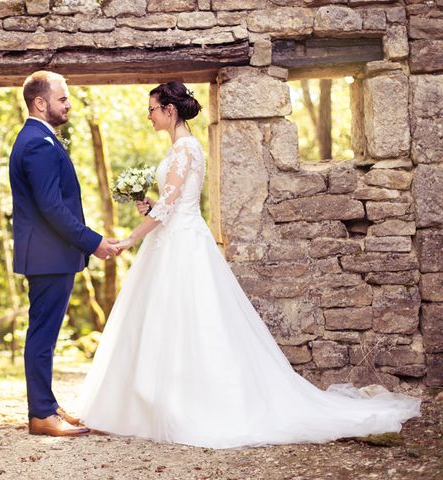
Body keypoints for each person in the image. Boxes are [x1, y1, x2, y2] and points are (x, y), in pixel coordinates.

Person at [76, 80, 421, 448]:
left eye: (152, 109)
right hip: (176, 240)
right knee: (169, 318)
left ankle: (187, 405)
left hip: (181, 244)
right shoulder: (182, 148)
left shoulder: (185, 149)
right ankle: (155, 402)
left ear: (169, 111)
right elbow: (168, 203)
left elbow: (170, 206)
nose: (148, 115)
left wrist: (131, 238)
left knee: (190, 320)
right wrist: (148, 206)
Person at [9, 70, 119, 437]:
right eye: (63, 98)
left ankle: (48, 404)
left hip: (50, 254)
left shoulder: (41, 138)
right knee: (42, 335)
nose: (68, 104)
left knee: (47, 333)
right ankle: (40, 414)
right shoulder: (38, 143)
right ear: (40, 103)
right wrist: (92, 241)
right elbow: (52, 208)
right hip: (48, 254)